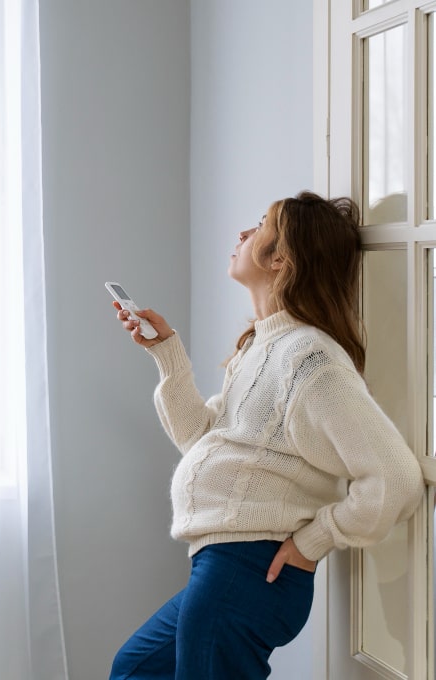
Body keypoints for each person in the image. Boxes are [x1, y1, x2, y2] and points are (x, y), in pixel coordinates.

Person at [109, 191, 424, 680]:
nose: (242, 235)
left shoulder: (310, 359)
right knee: (134, 668)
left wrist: (317, 537)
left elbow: (396, 478)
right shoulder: (262, 345)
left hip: (248, 566)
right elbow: (201, 438)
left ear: (281, 257)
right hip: (220, 567)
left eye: (259, 226)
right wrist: (168, 353)